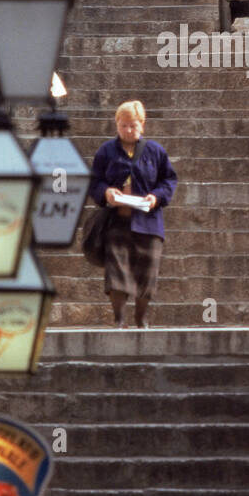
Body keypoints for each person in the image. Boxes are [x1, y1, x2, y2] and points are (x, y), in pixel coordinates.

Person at [88, 100, 178, 329]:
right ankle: (119, 319)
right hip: (117, 222)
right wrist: (106, 192)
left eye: (133, 126)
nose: (128, 130)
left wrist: (156, 197)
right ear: (117, 124)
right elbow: (94, 180)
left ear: (142, 125)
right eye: (124, 125)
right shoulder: (106, 151)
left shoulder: (155, 151)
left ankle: (141, 317)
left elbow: (168, 180)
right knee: (116, 272)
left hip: (148, 223)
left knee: (147, 272)